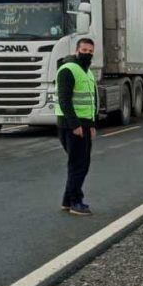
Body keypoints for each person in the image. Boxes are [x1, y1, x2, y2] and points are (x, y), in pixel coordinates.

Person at [55, 38, 98, 216]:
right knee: (79, 164)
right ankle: (75, 202)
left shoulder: (87, 71)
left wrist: (93, 124)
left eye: (90, 51)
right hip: (71, 124)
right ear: (76, 50)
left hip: (85, 123)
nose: (87, 53)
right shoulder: (68, 70)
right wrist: (75, 125)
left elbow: (92, 100)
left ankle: (67, 200)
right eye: (84, 50)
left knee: (80, 163)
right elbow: (64, 100)